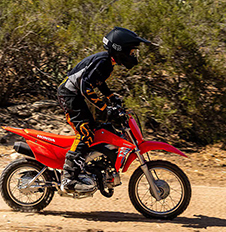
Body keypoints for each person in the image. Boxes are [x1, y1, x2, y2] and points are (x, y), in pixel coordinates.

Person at [56, 27, 156, 192]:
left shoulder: (107, 63)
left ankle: (92, 167)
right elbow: (85, 87)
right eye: (131, 51)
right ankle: (68, 178)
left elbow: (98, 82)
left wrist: (110, 97)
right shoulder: (103, 61)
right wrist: (105, 108)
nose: (133, 55)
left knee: (100, 128)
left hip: (75, 94)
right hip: (69, 95)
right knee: (85, 131)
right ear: (120, 49)